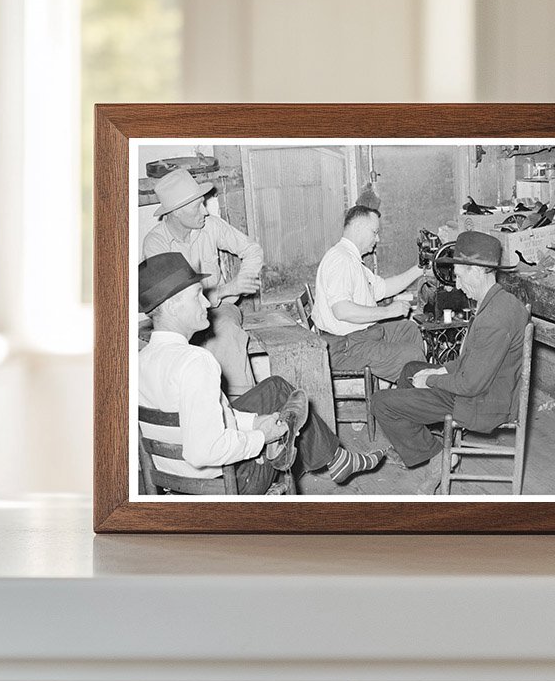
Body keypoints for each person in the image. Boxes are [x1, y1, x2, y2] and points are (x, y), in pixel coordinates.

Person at [139, 253, 385, 495]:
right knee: (285, 426)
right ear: (172, 306)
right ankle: (316, 456)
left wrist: (254, 422)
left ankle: (321, 455)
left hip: (172, 480)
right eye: (197, 296)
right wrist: (261, 437)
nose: (206, 303)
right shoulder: (196, 362)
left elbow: (207, 418)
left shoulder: (140, 360)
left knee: (275, 388)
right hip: (226, 485)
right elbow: (203, 452)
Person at [370, 231, 529, 493]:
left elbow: (470, 384)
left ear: (476, 271)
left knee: (381, 403)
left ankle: (438, 455)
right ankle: (417, 440)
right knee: (411, 369)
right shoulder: (502, 301)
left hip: (481, 403)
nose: (457, 284)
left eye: (459, 275)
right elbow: (472, 360)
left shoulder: (493, 319)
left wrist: (432, 380)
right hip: (485, 388)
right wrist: (442, 370)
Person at [142, 168, 262, 395]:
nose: (205, 211)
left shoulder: (211, 225)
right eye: (197, 206)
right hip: (178, 315)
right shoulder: (156, 243)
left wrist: (243, 280)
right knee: (180, 353)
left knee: (226, 332)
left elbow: (252, 250)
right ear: (176, 212)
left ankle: (242, 401)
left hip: (220, 309)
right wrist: (229, 288)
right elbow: (174, 299)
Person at [312, 205, 426, 383]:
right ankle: (412, 390)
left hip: (360, 335)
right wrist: (388, 312)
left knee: (409, 330)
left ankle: (408, 388)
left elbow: (384, 288)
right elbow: (342, 310)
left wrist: (421, 269)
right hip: (345, 347)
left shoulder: (352, 258)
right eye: (375, 232)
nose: (377, 239)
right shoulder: (341, 260)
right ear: (358, 227)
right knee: (412, 355)